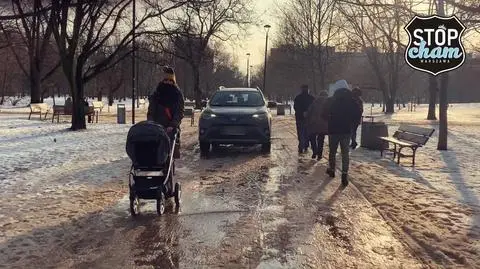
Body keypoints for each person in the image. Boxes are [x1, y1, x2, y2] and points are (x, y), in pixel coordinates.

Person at [324, 80, 362, 187]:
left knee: (332, 151)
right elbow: (358, 114)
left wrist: (330, 119)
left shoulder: (331, 100)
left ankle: (332, 169)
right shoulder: (352, 101)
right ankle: (344, 174)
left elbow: (323, 114)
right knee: (345, 153)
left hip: (333, 130)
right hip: (346, 130)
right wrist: (352, 124)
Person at [147, 66, 185, 158]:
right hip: (157, 125)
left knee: (170, 147)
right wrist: (151, 122)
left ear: (173, 81)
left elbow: (179, 112)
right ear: (163, 80)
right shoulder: (157, 93)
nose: (168, 82)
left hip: (171, 126)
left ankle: (169, 163)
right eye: (166, 80)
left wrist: (172, 125)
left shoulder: (177, 94)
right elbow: (151, 110)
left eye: (170, 80)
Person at [306, 90, 329, 160]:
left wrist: (308, 120)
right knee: (321, 140)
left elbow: (309, 112)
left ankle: (314, 151)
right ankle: (319, 154)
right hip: (324, 125)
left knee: (312, 138)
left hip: (313, 123)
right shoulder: (328, 103)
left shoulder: (315, 102)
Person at [294, 84, 314, 154]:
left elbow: (295, 108)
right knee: (307, 132)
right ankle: (306, 145)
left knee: (300, 132)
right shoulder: (311, 98)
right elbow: (313, 108)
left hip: (299, 118)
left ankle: (301, 145)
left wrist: (301, 112)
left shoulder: (298, 98)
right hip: (309, 119)